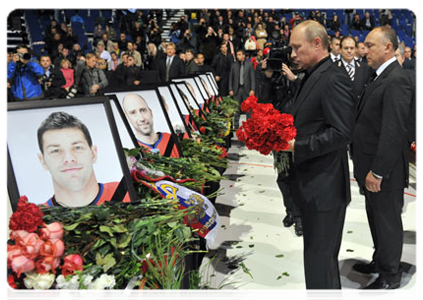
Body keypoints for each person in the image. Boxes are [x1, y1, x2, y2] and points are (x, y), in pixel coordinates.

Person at [283, 20, 355, 300]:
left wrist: (296, 146)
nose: (292, 54)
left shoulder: (332, 77)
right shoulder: (315, 74)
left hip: (324, 189)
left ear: (316, 44)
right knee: (318, 263)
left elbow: (341, 133)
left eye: (296, 47)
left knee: (319, 262)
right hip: (314, 185)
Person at [352, 27, 414, 296]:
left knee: (387, 220)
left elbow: (393, 131)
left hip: (383, 170)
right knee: (376, 218)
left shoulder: (395, 79)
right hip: (371, 165)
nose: (364, 50)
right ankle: (381, 259)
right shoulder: (380, 76)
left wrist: (377, 171)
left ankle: (390, 274)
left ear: (388, 47)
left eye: (370, 46)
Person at [37, 111, 130, 207]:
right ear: (42, 160)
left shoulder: (128, 193)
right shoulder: (38, 218)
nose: (69, 158)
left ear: (93, 153)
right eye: (56, 151)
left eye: (77, 148)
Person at [122, 93, 180, 158]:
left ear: (150, 112)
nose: (141, 118)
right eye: (133, 113)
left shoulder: (176, 140)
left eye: (143, 110)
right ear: (127, 118)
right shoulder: (130, 155)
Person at [335, 36, 372, 101]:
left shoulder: (365, 68)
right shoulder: (333, 68)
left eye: (352, 48)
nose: (349, 51)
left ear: (355, 50)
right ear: (340, 50)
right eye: (346, 48)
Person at [229, 49, 255, 128]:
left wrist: (252, 89)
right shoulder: (234, 65)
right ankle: (236, 125)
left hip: (246, 89)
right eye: (237, 55)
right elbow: (231, 78)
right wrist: (230, 89)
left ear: (244, 55)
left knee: (248, 109)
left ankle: (249, 124)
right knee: (236, 108)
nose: (238, 56)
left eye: (240, 54)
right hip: (237, 89)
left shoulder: (249, 64)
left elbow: (252, 78)